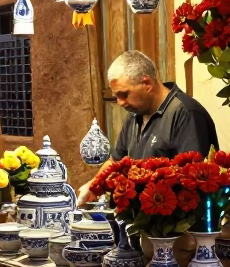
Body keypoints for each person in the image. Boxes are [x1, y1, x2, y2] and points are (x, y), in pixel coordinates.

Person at [78, 50, 218, 203]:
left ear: (147, 83)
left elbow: (193, 181)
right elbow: (115, 162)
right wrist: (94, 185)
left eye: (124, 94)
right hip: (140, 217)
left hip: (174, 220)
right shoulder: (134, 115)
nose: (120, 102)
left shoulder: (187, 114)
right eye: (116, 96)